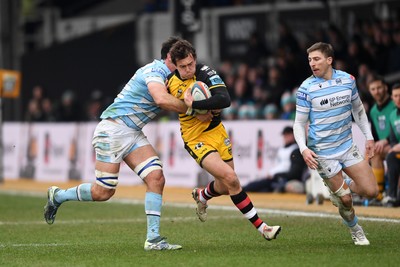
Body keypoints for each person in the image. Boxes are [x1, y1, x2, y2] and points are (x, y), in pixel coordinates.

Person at [43, 36, 187, 251]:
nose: (185, 66)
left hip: (132, 132)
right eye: (181, 61)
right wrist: (194, 107)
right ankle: (59, 195)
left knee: (156, 177)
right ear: (169, 57)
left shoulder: (172, 76)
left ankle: (153, 239)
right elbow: (161, 99)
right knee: (104, 192)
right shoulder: (154, 72)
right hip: (113, 130)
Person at [166, 39, 281, 241]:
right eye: (182, 67)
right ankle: (263, 228)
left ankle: (202, 196)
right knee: (232, 179)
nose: (188, 69)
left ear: (195, 59)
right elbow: (163, 103)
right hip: (195, 138)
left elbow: (224, 99)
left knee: (226, 185)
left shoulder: (204, 72)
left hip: (217, 131)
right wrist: (193, 110)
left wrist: (197, 104)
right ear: (175, 65)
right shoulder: (169, 82)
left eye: (190, 64)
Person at [293, 42, 378, 245]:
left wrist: (369, 136)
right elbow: (299, 123)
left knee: (371, 191)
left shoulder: (348, 80)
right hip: (322, 153)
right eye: (309, 60)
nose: (312, 64)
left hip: (347, 147)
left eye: (316, 59)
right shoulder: (306, 88)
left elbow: (358, 110)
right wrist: (304, 149)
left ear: (329, 60)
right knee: (346, 200)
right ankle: (356, 230)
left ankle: (342, 185)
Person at [243, 126, 307, 193]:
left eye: (288, 135)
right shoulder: (282, 149)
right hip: (276, 177)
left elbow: (293, 170)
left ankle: (242, 190)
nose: (286, 137)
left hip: (282, 178)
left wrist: (276, 175)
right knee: (258, 185)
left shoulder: (295, 150)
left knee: (259, 186)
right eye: (285, 135)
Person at [367, 74, 396, 203]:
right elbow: (374, 135)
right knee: (371, 154)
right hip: (384, 146)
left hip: (394, 144)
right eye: (373, 89)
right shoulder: (373, 111)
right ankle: (378, 194)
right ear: (369, 91)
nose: (377, 92)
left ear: (385, 88)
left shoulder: (395, 105)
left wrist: (387, 140)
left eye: (379, 88)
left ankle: (392, 194)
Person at [384, 83, 400, 207]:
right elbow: (393, 140)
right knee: (391, 156)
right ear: (392, 98)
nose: (398, 99)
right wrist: (394, 146)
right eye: (395, 96)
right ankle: (392, 196)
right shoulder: (392, 115)